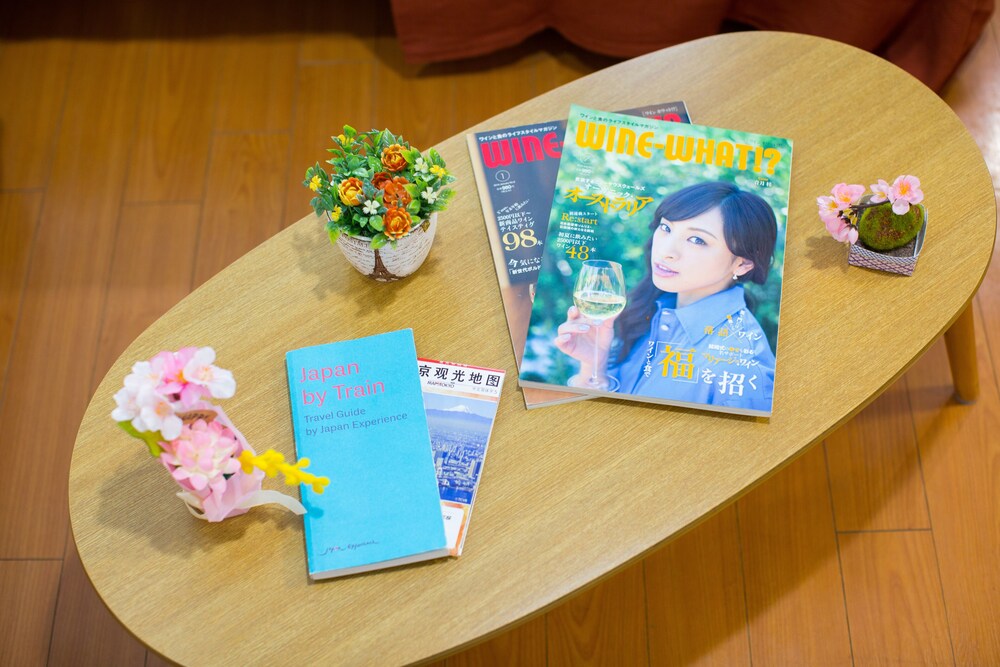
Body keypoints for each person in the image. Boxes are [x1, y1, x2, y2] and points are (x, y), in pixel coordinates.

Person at [554, 181, 778, 412]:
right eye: (666, 228)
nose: (666, 251)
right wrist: (594, 366)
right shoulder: (651, 315)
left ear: (742, 264)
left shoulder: (742, 367)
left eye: (697, 240)